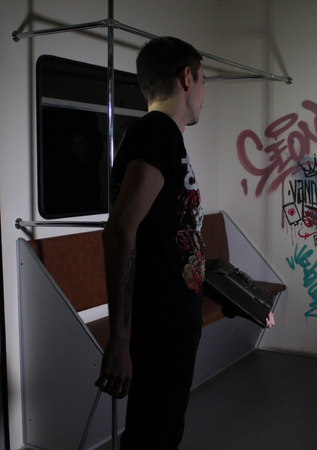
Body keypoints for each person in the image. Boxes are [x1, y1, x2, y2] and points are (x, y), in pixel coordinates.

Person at [95, 36, 207, 449]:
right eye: (203, 80)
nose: (204, 93)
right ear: (186, 77)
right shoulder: (157, 132)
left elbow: (162, 234)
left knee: (160, 430)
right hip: (162, 325)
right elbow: (120, 231)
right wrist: (120, 339)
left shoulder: (158, 135)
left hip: (172, 317)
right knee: (154, 436)